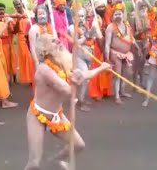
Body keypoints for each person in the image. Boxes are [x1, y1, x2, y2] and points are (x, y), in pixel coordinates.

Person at [24, 34, 110, 170]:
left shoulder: (61, 64)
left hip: (56, 116)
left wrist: (101, 68)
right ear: (45, 49)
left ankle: (55, 161)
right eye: (53, 41)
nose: (58, 41)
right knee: (34, 162)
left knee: (78, 145)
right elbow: (67, 90)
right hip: (37, 115)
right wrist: (77, 81)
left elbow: (83, 75)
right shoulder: (43, 69)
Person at [105, 3, 141, 104]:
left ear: (123, 14)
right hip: (115, 53)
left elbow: (131, 38)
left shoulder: (127, 25)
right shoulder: (110, 27)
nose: (118, 16)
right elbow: (107, 44)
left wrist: (137, 47)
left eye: (119, 14)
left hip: (126, 53)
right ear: (112, 16)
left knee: (126, 73)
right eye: (116, 14)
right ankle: (117, 96)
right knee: (118, 74)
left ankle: (122, 91)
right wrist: (107, 57)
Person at [13, 0, 34, 84]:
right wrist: (18, 20)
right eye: (16, 4)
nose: (18, 6)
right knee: (26, 59)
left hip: (31, 37)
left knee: (32, 57)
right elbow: (14, 31)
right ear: (14, 6)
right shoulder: (14, 16)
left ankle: (34, 77)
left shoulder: (29, 13)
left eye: (19, 3)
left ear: (22, 3)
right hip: (21, 39)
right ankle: (30, 79)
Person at [0, 3, 17, 84]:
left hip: (9, 42)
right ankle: (5, 79)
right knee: (4, 62)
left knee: (12, 60)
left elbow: (13, 30)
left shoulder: (8, 18)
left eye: (3, 9)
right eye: (0, 9)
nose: (2, 11)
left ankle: (13, 77)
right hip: (0, 43)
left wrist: (9, 23)